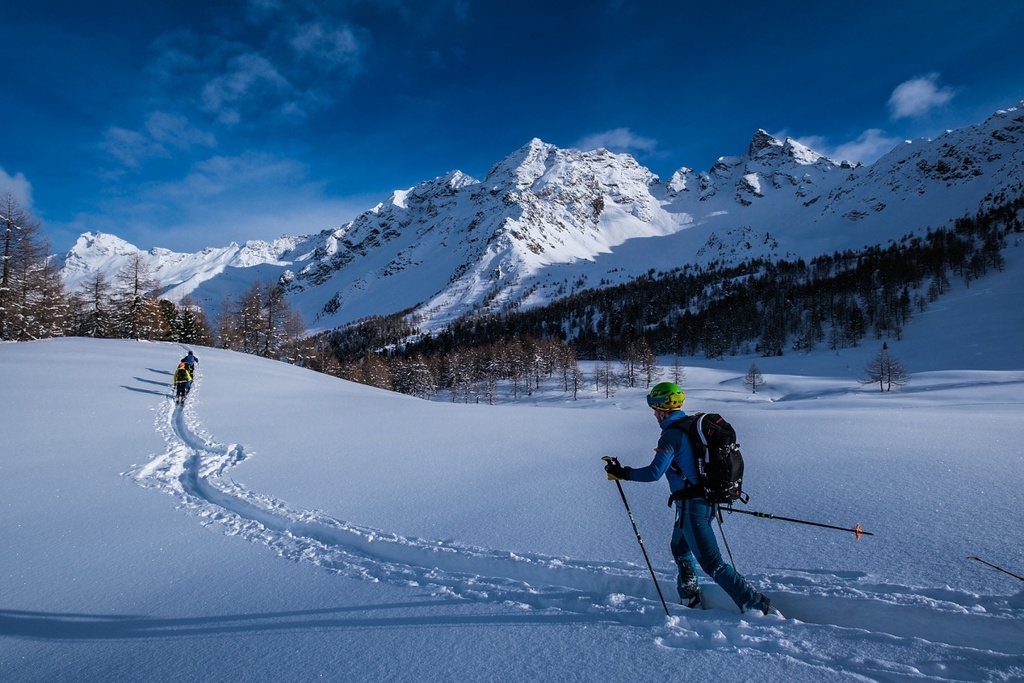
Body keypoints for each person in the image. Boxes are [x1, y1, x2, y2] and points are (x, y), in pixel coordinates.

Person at [604, 381, 779, 616]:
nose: (654, 413)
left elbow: (654, 473)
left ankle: (758, 607)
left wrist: (623, 473)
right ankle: (689, 595)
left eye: (655, 408)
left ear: (661, 408)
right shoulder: (687, 427)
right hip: (697, 503)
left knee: (713, 564)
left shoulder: (671, 436)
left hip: (692, 507)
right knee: (679, 548)